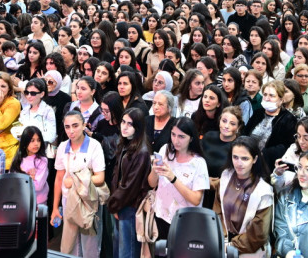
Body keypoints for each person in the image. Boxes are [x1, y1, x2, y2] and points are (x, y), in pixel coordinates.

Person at [52, 110, 107, 257]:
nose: (71, 130)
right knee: (69, 247)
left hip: (88, 203)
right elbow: (59, 178)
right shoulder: (63, 147)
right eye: (67, 127)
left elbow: (100, 177)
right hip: (68, 201)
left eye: (75, 126)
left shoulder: (94, 145)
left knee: (90, 248)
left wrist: (75, 181)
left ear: (84, 125)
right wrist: (55, 208)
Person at [210, 136, 275, 258]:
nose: (239, 163)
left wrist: (230, 245)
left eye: (245, 158)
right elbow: (217, 212)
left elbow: (258, 235)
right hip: (224, 242)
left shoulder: (263, 191)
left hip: (251, 249)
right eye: (235, 157)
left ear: (255, 159)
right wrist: (223, 240)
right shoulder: (225, 176)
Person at [147, 116, 210, 240]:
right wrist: (154, 170)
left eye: (181, 136)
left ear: (191, 138)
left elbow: (196, 199)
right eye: (173, 134)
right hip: (161, 215)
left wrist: (173, 179)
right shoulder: (165, 150)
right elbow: (151, 183)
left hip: (185, 222)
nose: (176, 140)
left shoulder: (199, 163)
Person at [108, 107, 152, 258]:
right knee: (119, 249)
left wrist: (114, 205)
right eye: (123, 122)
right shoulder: (125, 143)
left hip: (130, 207)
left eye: (130, 124)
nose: (124, 127)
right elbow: (116, 176)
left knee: (127, 252)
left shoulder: (142, 152)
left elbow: (130, 186)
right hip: (121, 204)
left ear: (138, 128)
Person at [244, 80, 298, 171]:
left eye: (272, 96)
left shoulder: (289, 119)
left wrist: (264, 153)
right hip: (247, 158)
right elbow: (245, 133)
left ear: (281, 100)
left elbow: (287, 146)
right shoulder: (258, 113)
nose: (267, 98)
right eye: (265, 95)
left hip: (269, 165)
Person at [10, 126, 49, 206]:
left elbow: (38, 186)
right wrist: (31, 178)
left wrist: (22, 178)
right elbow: (13, 182)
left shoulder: (42, 160)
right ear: (25, 142)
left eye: (38, 140)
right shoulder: (18, 159)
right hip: (20, 200)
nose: (36, 144)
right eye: (32, 141)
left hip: (38, 201)